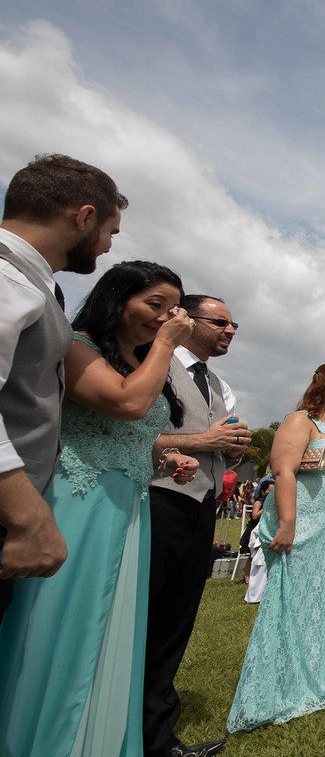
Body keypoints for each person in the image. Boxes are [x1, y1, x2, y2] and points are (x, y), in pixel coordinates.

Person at [0, 261, 198, 756]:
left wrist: (166, 456)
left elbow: (133, 433)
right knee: (67, 627)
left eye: (171, 309)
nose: (163, 317)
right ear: (116, 299)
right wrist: (170, 343)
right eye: (154, 305)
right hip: (79, 504)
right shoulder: (78, 347)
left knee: (114, 626)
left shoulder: (141, 363)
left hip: (130, 508)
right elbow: (126, 405)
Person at [0, 154, 126, 620]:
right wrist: (26, 515)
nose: (109, 246)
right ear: (84, 216)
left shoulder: (34, 285)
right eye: (110, 231)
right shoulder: (6, 277)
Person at [226, 362, 325, 731]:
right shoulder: (300, 420)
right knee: (295, 597)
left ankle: (321, 673)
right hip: (302, 519)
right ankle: (281, 683)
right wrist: (287, 523)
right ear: (320, 383)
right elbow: (283, 470)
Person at [144, 294, 250, 757]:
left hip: (202, 502)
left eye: (233, 326)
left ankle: (156, 731)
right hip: (156, 498)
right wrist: (205, 438)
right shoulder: (155, 362)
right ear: (186, 319)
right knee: (145, 612)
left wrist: (232, 449)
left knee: (177, 617)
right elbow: (131, 430)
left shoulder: (221, 386)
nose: (229, 331)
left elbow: (222, 445)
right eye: (220, 322)